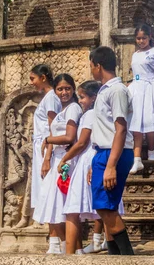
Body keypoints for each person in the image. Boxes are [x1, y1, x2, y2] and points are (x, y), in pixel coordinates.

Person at [89, 46, 135, 255]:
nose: (91, 70)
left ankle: (128, 260)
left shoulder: (117, 90)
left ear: (98, 66)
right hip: (103, 151)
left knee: (106, 208)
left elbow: (121, 128)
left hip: (113, 152)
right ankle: (115, 257)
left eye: (91, 66)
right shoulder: (105, 90)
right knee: (105, 208)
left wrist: (110, 165)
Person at [33, 73, 82, 254]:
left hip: (67, 160)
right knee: (52, 203)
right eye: (60, 89)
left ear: (73, 89)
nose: (64, 92)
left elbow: (70, 137)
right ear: (55, 91)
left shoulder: (73, 108)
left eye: (67, 88)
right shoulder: (63, 111)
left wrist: (48, 139)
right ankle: (60, 246)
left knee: (65, 206)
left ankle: (73, 249)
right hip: (58, 161)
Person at [60, 80, 101, 254]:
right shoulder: (91, 114)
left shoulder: (91, 115)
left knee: (72, 209)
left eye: (83, 97)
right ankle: (77, 250)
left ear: (93, 98)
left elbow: (82, 142)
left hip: (86, 160)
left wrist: (64, 159)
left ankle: (70, 255)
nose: (80, 101)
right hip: (86, 159)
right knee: (101, 209)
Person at [129, 24, 154, 174]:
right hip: (137, 89)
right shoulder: (135, 54)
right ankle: (137, 159)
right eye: (138, 38)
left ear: (149, 37)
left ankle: (151, 152)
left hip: (151, 87)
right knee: (136, 123)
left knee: (149, 121)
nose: (141, 41)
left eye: (143, 38)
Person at [28, 64, 61, 215]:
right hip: (41, 146)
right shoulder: (48, 98)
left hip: (47, 148)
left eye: (33, 78)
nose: (31, 82)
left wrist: (47, 158)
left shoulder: (51, 98)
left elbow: (52, 128)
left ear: (43, 78)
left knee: (47, 188)